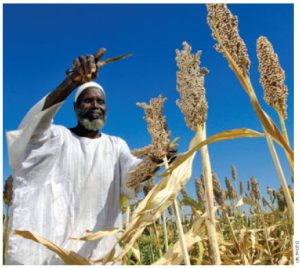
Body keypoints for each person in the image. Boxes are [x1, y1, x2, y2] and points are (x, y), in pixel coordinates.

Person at [5, 53, 175, 264]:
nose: (95, 105)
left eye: (100, 102)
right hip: (54, 256)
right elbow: (33, 126)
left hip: (100, 254)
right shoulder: (57, 138)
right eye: (88, 101)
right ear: (76, 108)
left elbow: (132, 176)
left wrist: (156, 161)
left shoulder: (116, 145)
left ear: (106, 109)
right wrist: (72, 81)